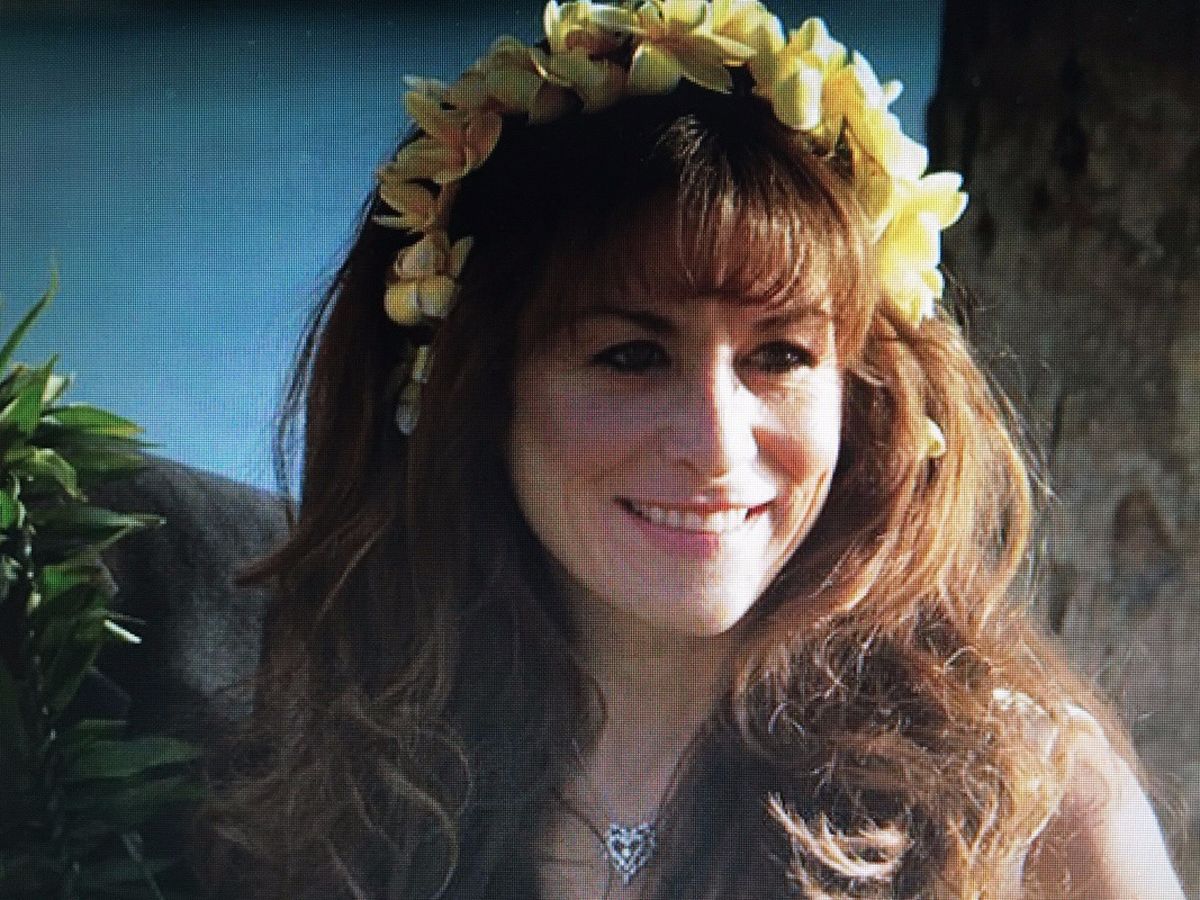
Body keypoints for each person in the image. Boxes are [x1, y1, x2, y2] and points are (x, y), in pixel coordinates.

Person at [201, 3, 1187, 898]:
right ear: (475, 390)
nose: (716, 445)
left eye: (780, 356)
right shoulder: (345, 789)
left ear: (860, 392)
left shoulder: (1030, 801)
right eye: (631, 357)